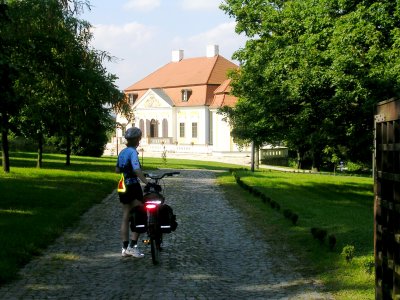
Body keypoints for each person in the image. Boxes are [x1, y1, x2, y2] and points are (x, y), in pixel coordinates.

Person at [115, 127, 149, 257]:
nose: (139, 141)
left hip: (123, 185)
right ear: (135, 139)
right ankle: (133, 246)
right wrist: (145, 181)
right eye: (139, 138)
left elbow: (117, 170)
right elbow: (136, 170)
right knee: (140, 213)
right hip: (133, 186)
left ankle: (124, 248)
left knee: (126, 215)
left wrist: (127, 171)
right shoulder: (133, 152)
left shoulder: (122, 152)